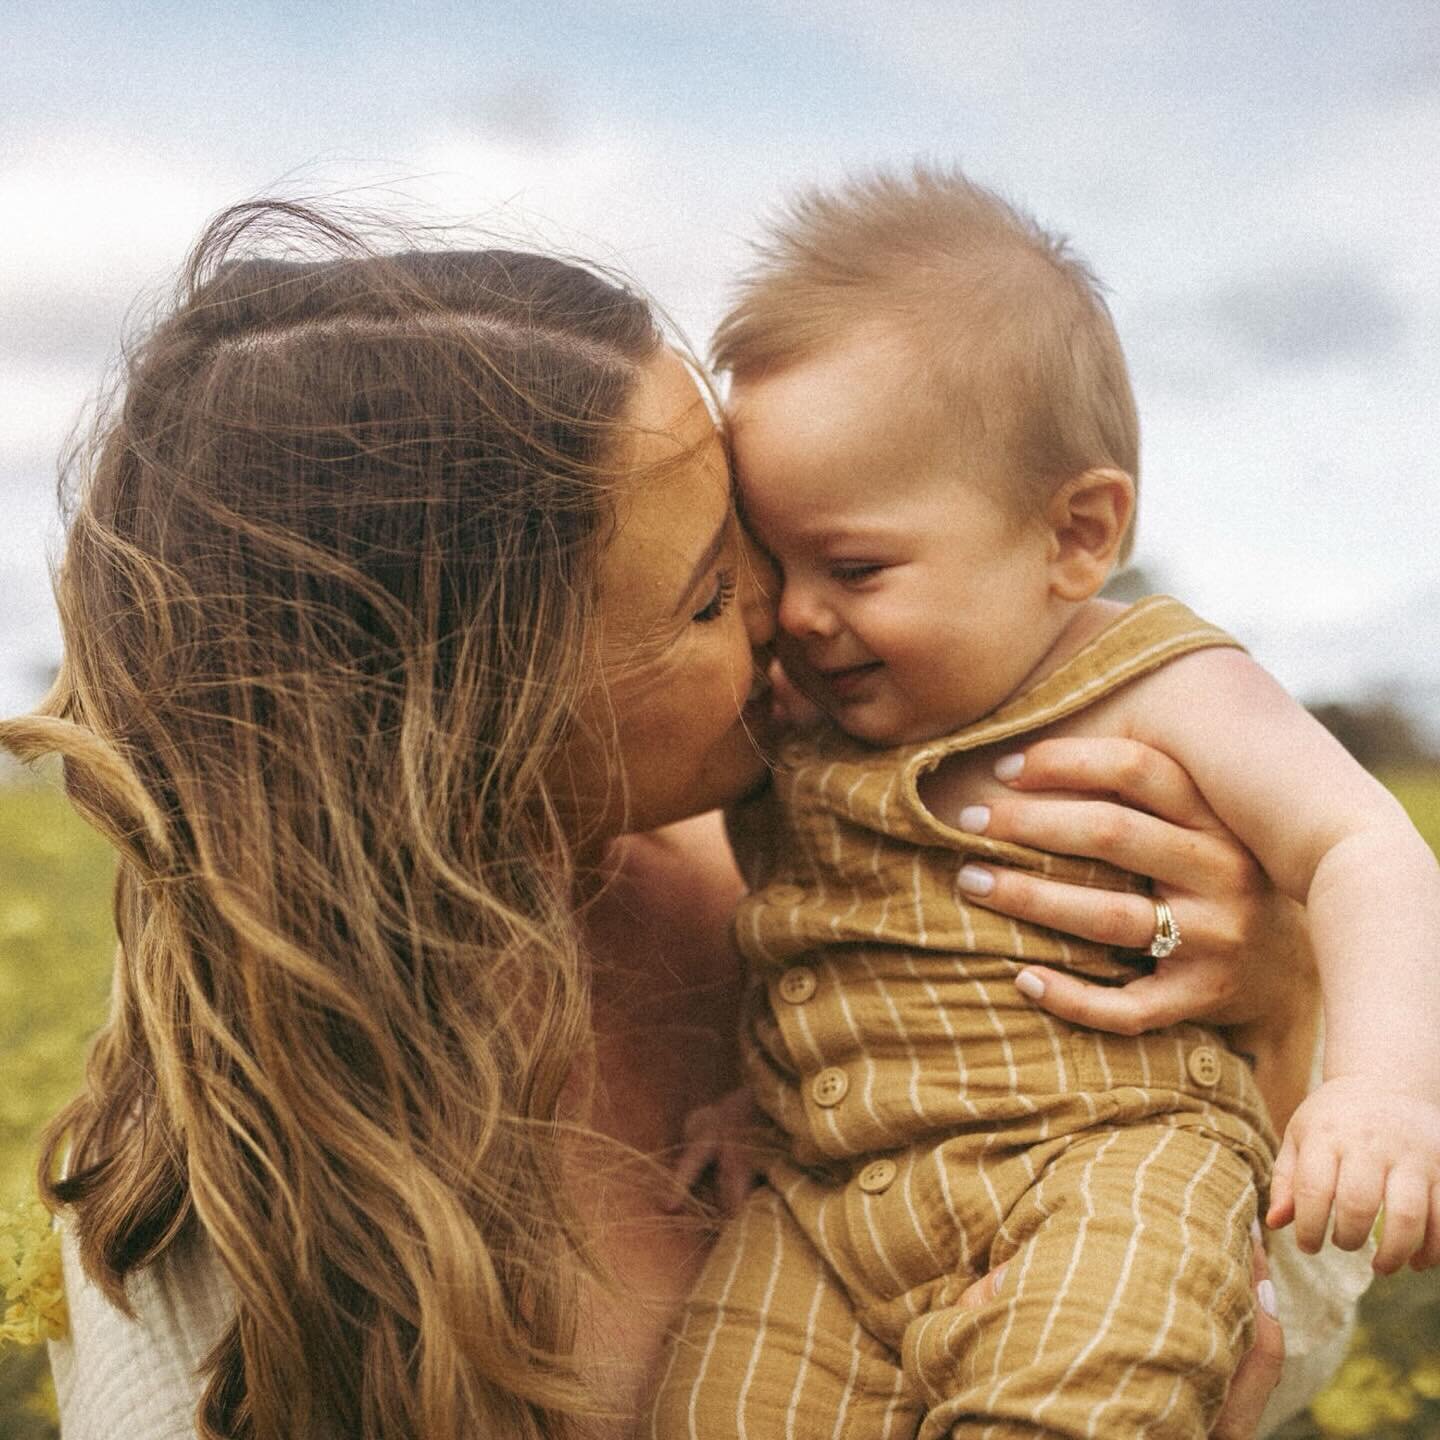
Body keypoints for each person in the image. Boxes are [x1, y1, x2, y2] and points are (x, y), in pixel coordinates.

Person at [0, 200, 1331, 1440]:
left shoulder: (851, 847)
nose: (785, 606)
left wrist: (1274, 1012)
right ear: (470, 720)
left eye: (754, 522)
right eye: (708, 593)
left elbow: (1236, 1280)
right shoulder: (219, 1180)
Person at [651, 166, 1440, 1439]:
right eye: (768, 564)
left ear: (1075, 534)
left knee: (1071, 1402)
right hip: (824, 1205)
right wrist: (768, 1080)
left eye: (853, 565)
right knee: (713, 1411)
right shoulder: (791, 723)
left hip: (1110, 1170)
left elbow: (1365, 846)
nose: (795, 615)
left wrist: (1386, 1091)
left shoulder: (1154, 683)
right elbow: (814, 938)